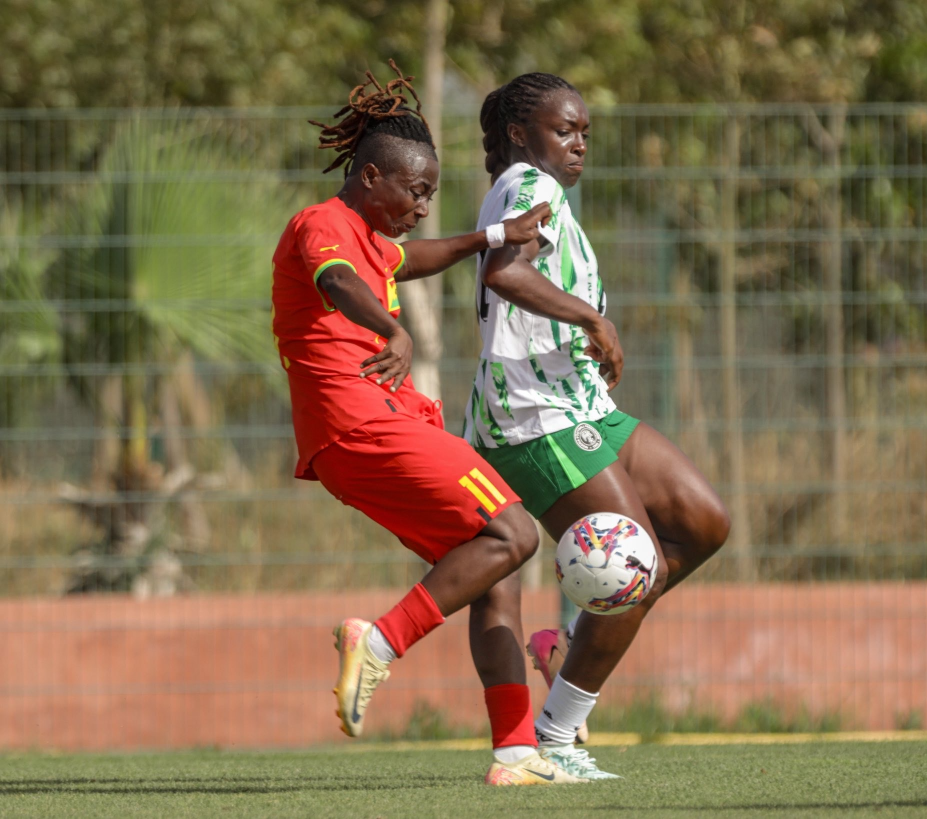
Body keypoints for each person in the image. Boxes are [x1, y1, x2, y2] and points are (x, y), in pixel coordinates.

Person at [271, 62, 585, 786]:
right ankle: (378, 642)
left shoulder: (370, 237)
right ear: (371, 176)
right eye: (415, 191)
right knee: (515, 532)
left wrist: (493, 234)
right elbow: (339, 282)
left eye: (430, 194)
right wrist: (392, 328)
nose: (421, 206)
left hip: (363, 435)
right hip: (363, 424)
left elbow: (409, 260)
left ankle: (516, 753)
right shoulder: (324, 225)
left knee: (494, 564)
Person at [465, 72, 732, 779]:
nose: (579, 143)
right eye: (564, 130)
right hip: (534, 417)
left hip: (581, 404)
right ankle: (557, 735)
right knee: (636, 566)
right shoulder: (528, 183)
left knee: (703, 524)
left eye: (584, 132)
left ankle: (568, 644)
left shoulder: (548, 193)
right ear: (520, 134)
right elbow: (504, 272)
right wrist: (593, 319)